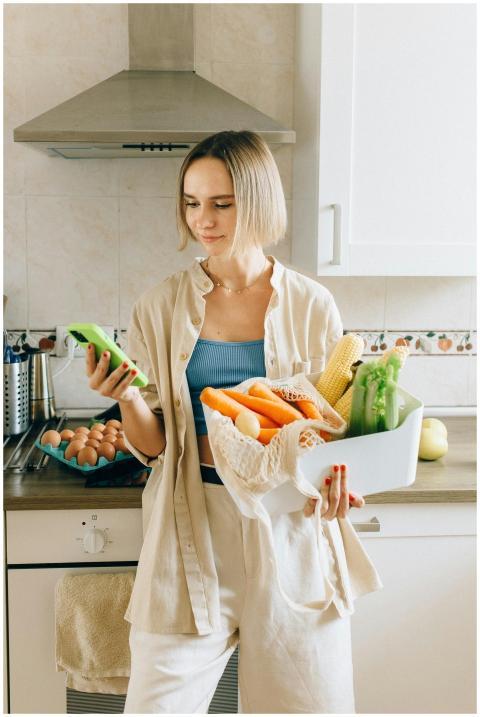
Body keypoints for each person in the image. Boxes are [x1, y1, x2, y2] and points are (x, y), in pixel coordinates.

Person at [85, 130, 382, 714]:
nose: (205, 220)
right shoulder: (159, 304)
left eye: (222, 203)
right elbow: (155, 448)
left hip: (292, 529)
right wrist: (126, 399)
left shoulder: (311, 304)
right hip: (191, 527)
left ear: (259, 200)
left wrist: (341, 477)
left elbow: (331, 427)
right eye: (192, 203)